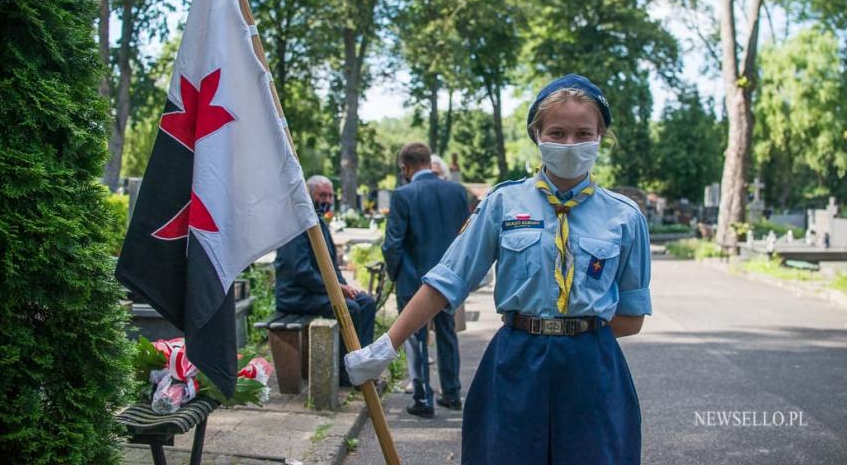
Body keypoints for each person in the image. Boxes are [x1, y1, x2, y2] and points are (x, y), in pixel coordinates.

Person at [346, 75, 652, 464]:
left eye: (582, 133)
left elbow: (631, 316)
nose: (570, 144)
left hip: (592, 370)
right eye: (557, 132)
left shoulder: (625, 218)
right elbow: (447, 280)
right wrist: (387, 346)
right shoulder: (503, 203)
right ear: (536, 134)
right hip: (517, 362)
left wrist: (573, 335)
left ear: (601, 136)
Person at [382, 142, 470, 418]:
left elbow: (393, 244)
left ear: (405, 167)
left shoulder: (403, 195)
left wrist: (395, 274)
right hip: (449, 277)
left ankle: (422, 397)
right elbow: (466, 236)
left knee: (416, 337)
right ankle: (453, 393)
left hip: (413, 277)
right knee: (447, 334)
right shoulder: (457, 192)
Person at [274, 175, 375, 387]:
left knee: (366, 302)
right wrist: (336, 289)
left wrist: (344, 286)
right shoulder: (296, 223)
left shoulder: (317, 221)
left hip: (317, 292)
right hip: (297, 295)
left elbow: (331, 265)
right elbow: (301, 271)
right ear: (309, 195)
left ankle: (362, 365)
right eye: (322, 195)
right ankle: (344, 372)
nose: (327, 200)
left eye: (330, 195)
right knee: (350, 309)